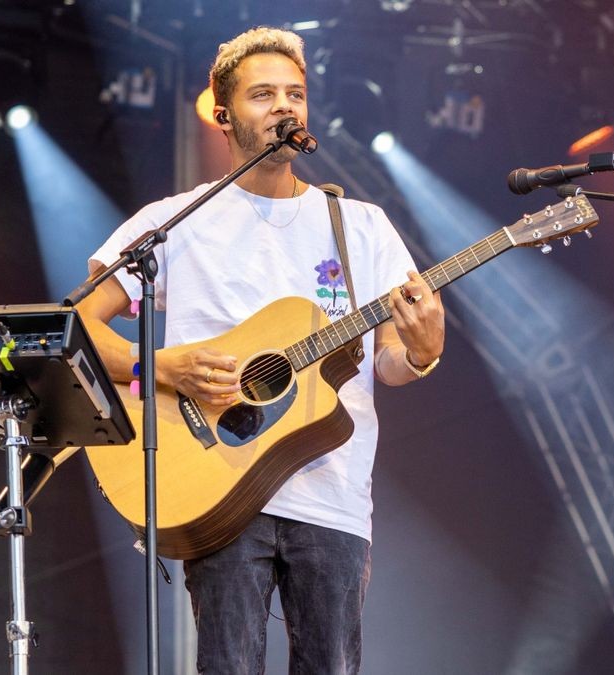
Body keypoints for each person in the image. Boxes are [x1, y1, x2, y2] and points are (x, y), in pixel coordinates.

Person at [77, 26, 445, 674]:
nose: (285, 107)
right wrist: (162, 366)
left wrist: (422, 350)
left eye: (296, 94)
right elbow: (76, 326)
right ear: (223, 115)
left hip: (332, 492)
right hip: (216, 484)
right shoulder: (173, 222)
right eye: (264, 94)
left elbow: (388, 361)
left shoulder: (359, 225)